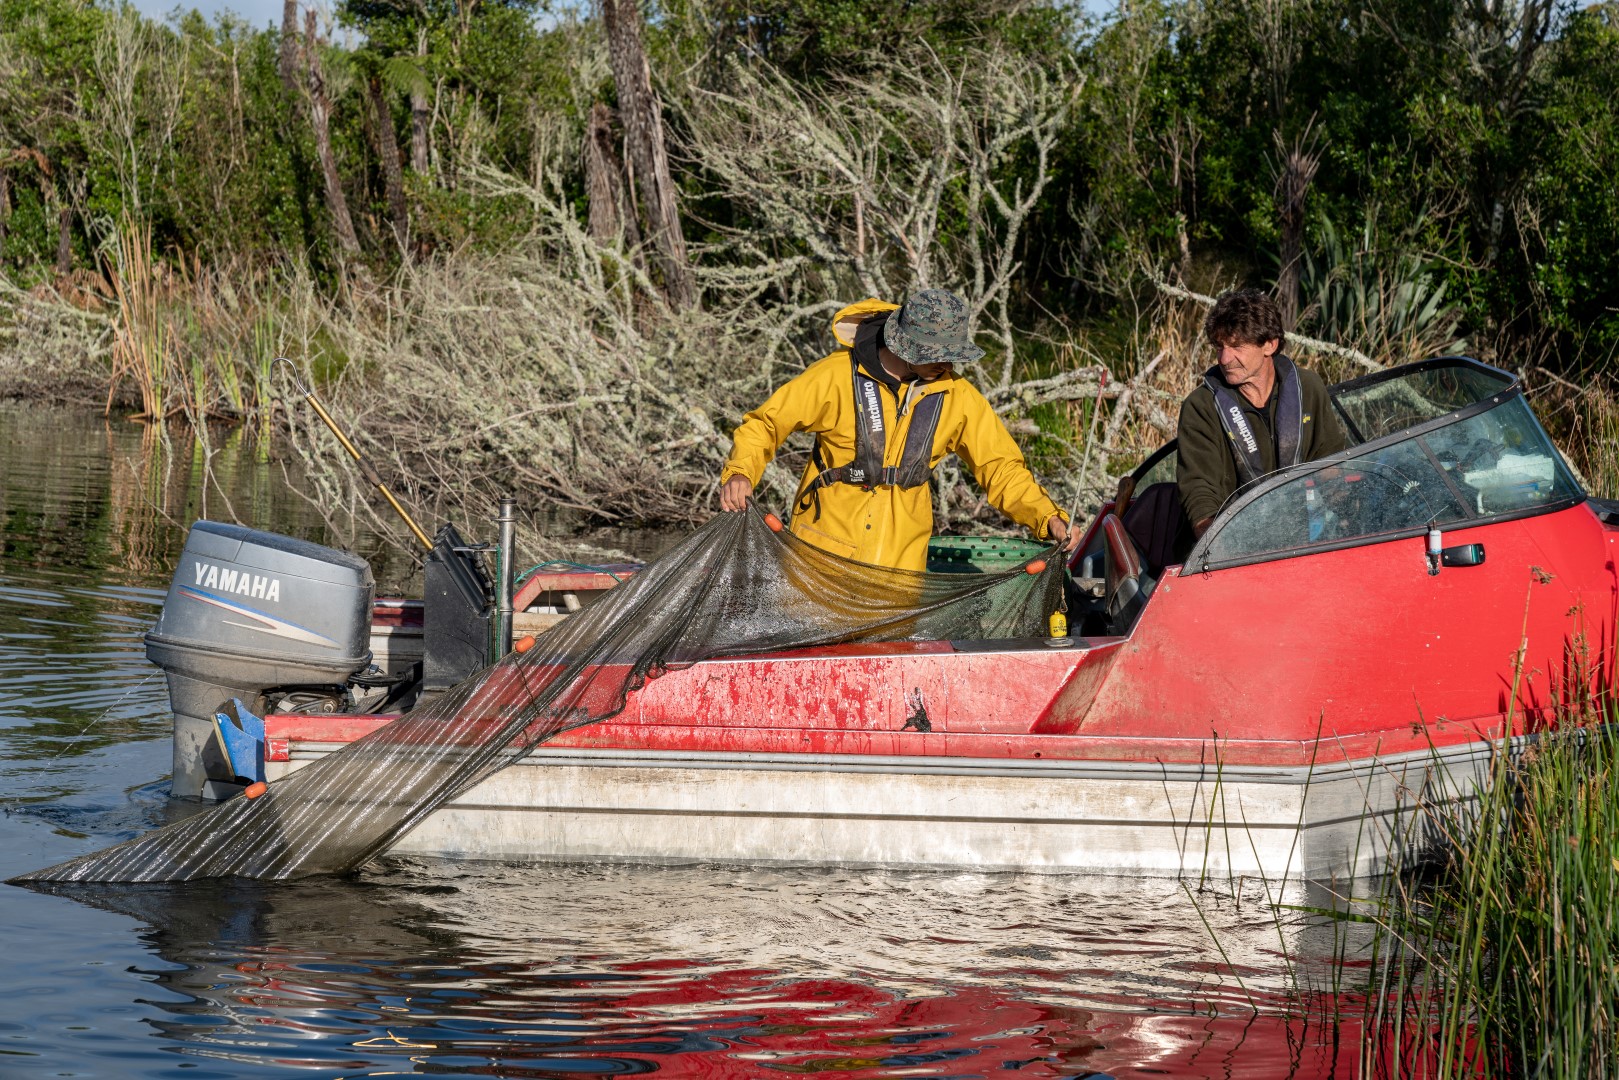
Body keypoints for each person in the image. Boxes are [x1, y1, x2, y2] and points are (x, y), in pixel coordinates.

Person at [718, 290, 1075, 572]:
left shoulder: (958, 396)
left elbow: (1002, 469)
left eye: (953, 354)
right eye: (939, 353)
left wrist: (1048, 518)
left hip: (900, 575)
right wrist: (740, 474)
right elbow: (765, 425)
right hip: (821, 563)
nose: (949, 363)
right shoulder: (834, 376)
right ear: (907, 347)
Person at [1176, 288, 1347, 537]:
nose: (1224, 359)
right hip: (1230, 545)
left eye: (1236, 346)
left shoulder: (1308, 389)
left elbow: (1330, 467)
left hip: (1296, 540)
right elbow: (1199, 492)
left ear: (1269, 344)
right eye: (1219, 346)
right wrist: (1218, 549)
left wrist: (1353, 517)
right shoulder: (1200, 406)